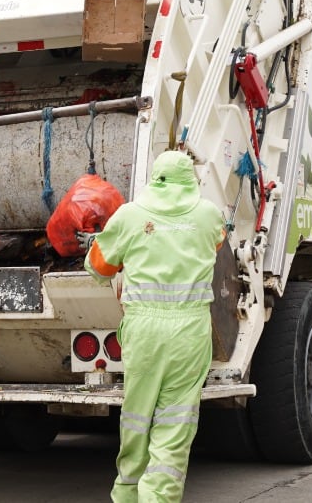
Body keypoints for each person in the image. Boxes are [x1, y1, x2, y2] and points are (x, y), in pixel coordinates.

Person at [87, 150, 226, 503]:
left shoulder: (130, 215)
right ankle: (158, 498)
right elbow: (218, 240)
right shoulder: (209, 215)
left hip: (145, 330)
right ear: (190, 180)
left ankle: (127, 493)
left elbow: (99, 267)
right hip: (190, 331)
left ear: (155, 179)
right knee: (176, 420)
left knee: (137, 414)